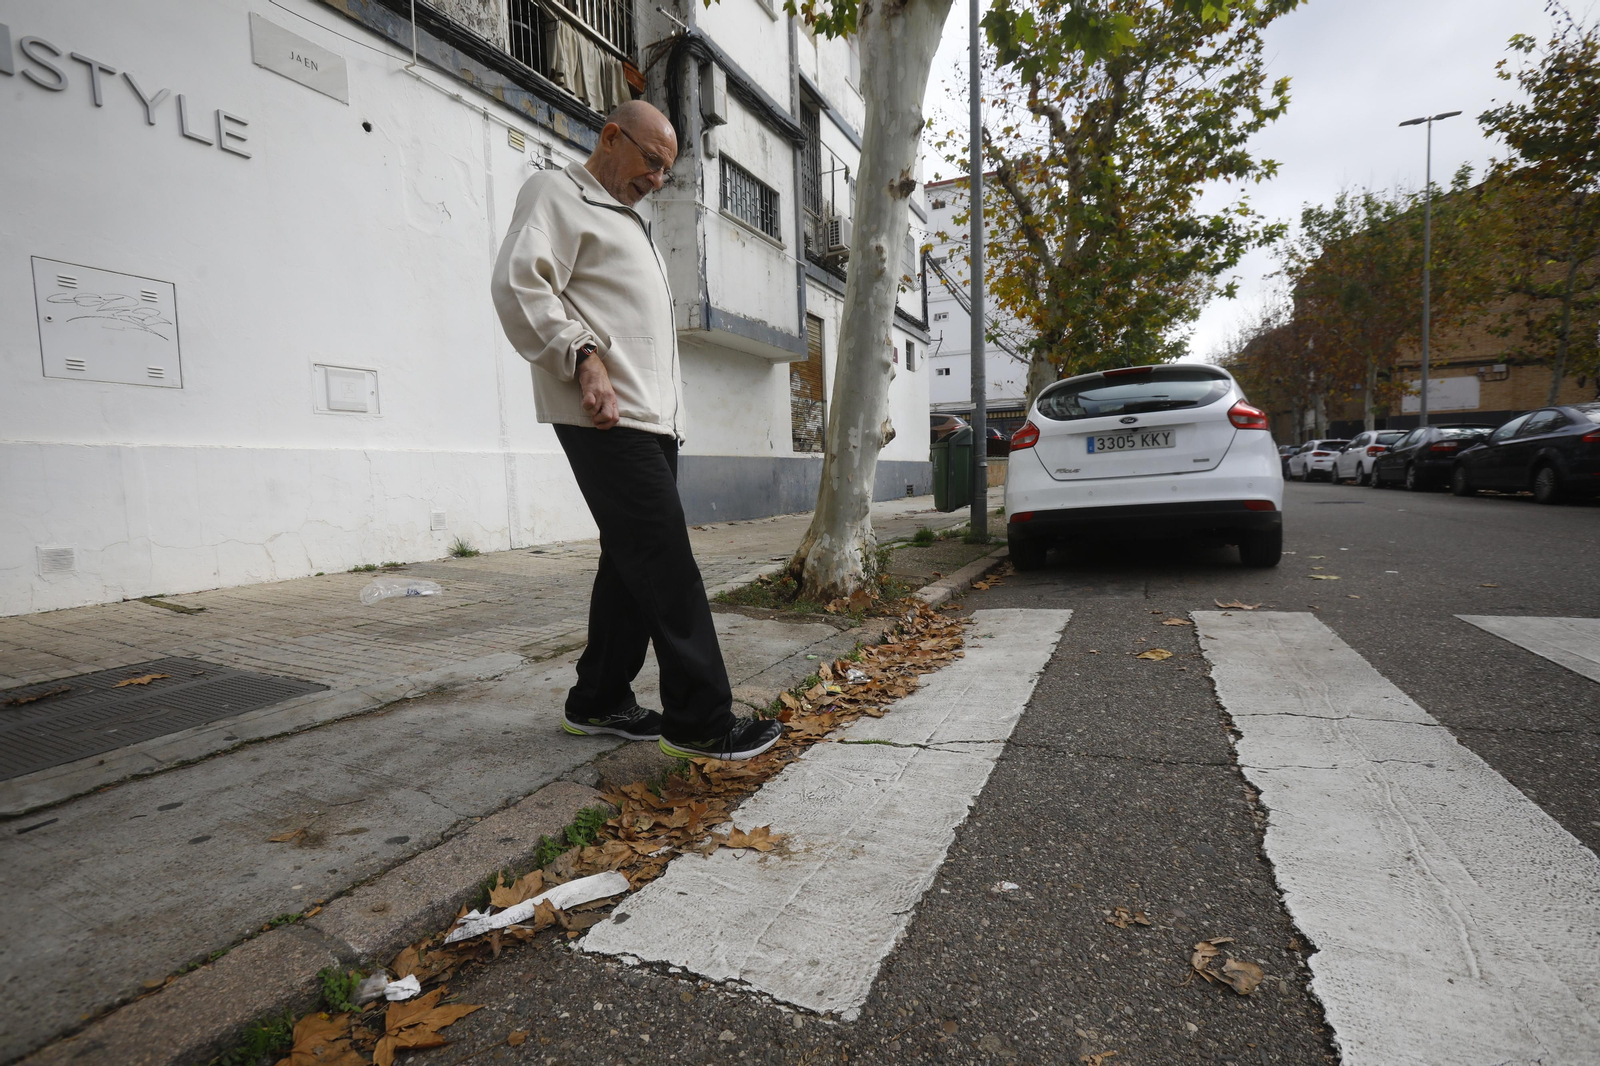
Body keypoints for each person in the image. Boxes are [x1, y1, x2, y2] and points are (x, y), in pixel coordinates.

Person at [490, 101, 782, 762]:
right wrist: (580, 357)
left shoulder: (623, 216)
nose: (656, 180)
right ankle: (701, 721)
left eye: (664, 171)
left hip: (650, 419)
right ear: (611, 137)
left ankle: (598, 699)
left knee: (630, 563)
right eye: (651, 162)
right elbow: (518, 286)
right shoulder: (556, 192)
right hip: (603, 412)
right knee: (667, 563)